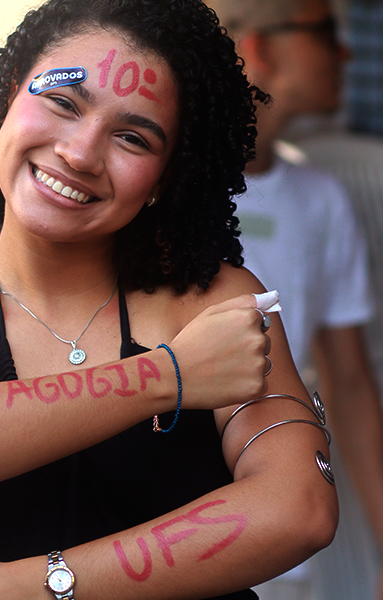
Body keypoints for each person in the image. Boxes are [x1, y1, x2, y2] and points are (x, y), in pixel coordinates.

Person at [0, 1, 338, 599]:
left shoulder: (215, 302)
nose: (79, 153)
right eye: (63, 103)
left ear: (165, 178)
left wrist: (30, 586)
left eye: (131, 137)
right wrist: (168, 375)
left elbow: (299, 509)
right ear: (10, 96)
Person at [203, 1, 383, 599]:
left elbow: (349, 384)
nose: (346, 52)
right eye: (325, 32)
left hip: (279, 544)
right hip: (166, 539)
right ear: (261, 49)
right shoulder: (158, 186)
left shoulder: (321, 198)